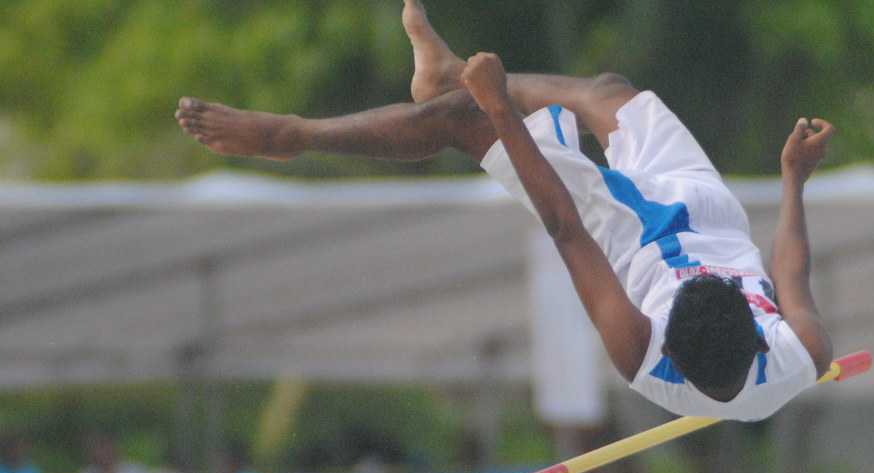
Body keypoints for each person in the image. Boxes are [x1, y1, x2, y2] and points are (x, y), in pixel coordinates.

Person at [175, 0, 835, 421]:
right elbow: (791, 274)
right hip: (708, 208)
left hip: (632, 232)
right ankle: (445, 75)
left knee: (466, 121)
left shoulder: (638, 354)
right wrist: (791, 180)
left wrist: (496, 107)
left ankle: (296, 136)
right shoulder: (800, 351)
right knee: (608, 92)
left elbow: (565, 228)